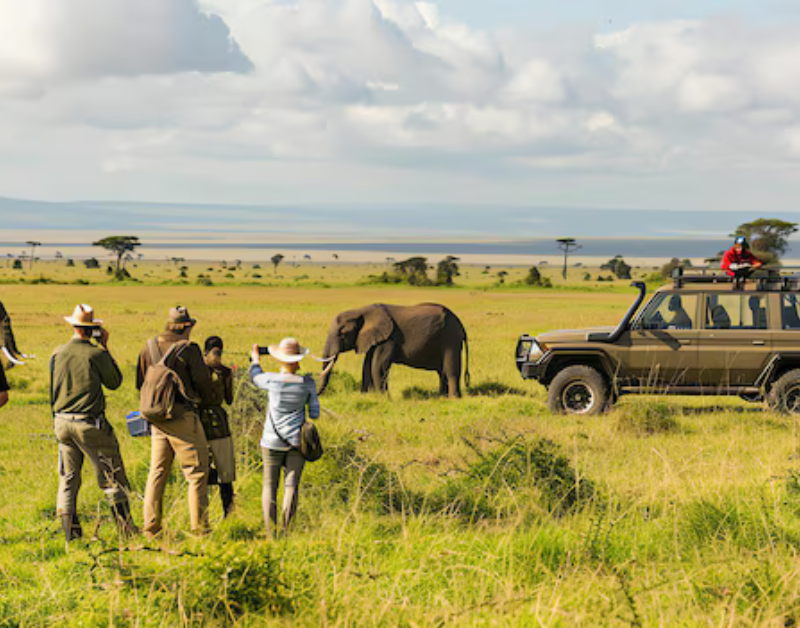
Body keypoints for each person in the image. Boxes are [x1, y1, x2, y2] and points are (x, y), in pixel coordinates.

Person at [50, 304, 136, 541]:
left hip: (62, 421)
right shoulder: (96, 354)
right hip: (89, 424)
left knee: (68, 478)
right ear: (93, 329)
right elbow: (115, 382)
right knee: (112, 477)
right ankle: (125, 530)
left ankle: (71, 536)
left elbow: (52, 391)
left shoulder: (57, 352)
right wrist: (105, 347)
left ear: (73, 326)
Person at [137, 306, 214, 536]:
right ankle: (199, 529)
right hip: (181, 416)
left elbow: (140, 382)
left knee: (157, 471)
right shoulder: (189, 349)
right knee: (197, 473)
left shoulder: (149, 346)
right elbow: (203, 383)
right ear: (188, 326)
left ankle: (151, 527)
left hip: (157, 417)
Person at [250, 338, 320, 537]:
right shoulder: (308, 383)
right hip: (297, 442)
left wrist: (256, 359)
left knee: (269, 486)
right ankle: (286, 530)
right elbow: (314, 413)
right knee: (291, 486)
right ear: (298, 360)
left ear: (280, 359)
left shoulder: (271, 380)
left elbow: (255, 376)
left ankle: (270, 533)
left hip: (271, 441)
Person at [200, 336, 236, 517]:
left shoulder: (201, 371)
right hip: (216, 423)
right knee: (223, 473)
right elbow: (229, 400)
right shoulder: (223, 372)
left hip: (204, 423)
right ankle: (226, 513)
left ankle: (211, 514)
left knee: (213, 472)